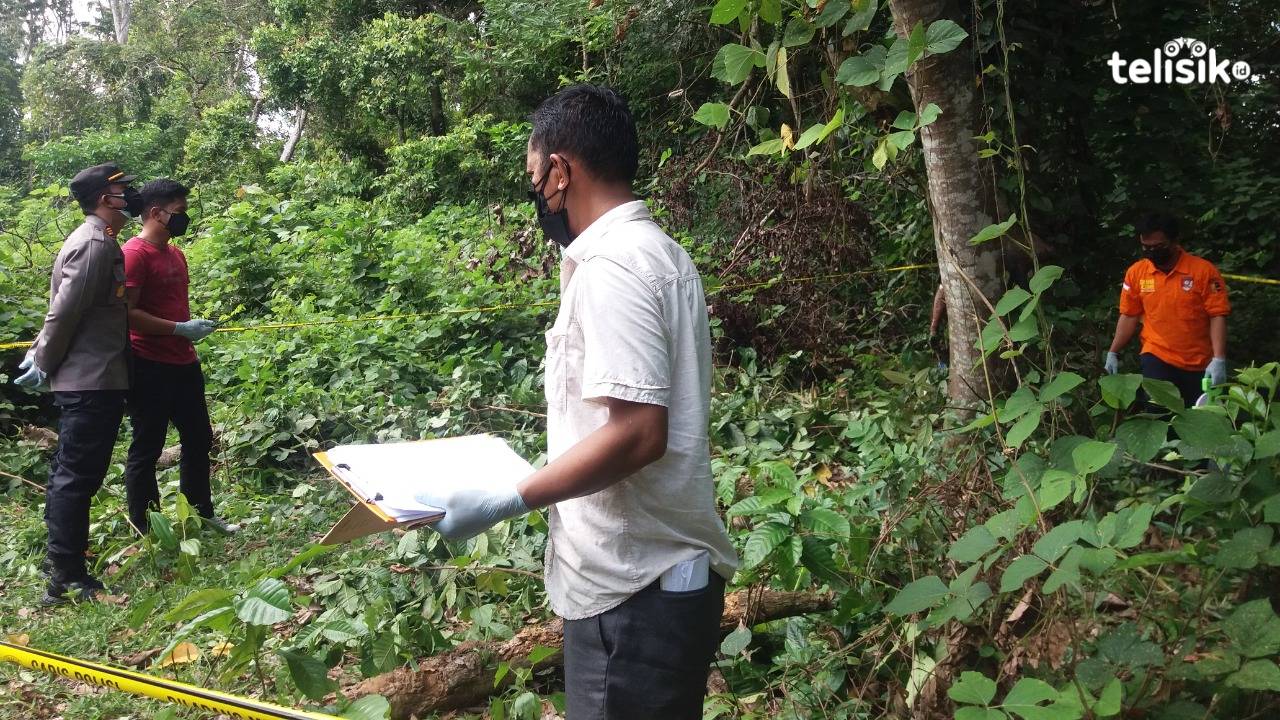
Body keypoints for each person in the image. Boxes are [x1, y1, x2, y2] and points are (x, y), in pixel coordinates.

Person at [414, 85, 738, 719]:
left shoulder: (613, 266)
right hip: (647, 585)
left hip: (634, 592)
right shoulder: (661, 254)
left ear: (561, 170)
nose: (538, 196)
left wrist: (507, 499)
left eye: (536, 178)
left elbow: (641, 432)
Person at [13, 162, 140, 605]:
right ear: (107, 199)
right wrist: (43, 358)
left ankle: (67, 568)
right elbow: (65, 312)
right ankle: (65, 577)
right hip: (90, 382)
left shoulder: (103, 241)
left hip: (99, 377)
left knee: (78, 476)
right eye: (124, 190)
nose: (130, 195)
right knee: (74, 478)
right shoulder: (93, 246)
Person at [121, 179, 237, 535]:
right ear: (156, 213)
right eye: (180, 212)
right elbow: (126, 312)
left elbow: (170, 306)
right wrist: (177, 328)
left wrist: (187, 330)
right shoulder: (133, 254)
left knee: (199, 439)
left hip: (184, 362)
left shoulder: (175, 254)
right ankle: (148, 527)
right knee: (148, 447)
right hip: (148, 363)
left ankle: (201, 514)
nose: (184, 219)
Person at [1105, 211, 1230, 409]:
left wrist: (1219, 358)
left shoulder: (1203, 271)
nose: (1152, 251)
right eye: (1146, 247)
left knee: (1197, 419)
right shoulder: (1137, 273)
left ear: (1174, 241)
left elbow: (1217, 315)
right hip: (1156, 354)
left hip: (1199, 360)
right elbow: (1129, 315)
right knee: (1158, 411)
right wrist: (1113, 351)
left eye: (1158, 246)